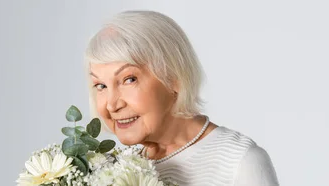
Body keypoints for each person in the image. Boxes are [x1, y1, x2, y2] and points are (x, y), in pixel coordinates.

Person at [84, 10, 279, 186]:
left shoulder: (240, 162)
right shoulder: (113, 170)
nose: (111, 104)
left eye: (129, 79)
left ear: (173, 77)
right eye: (100, 86)